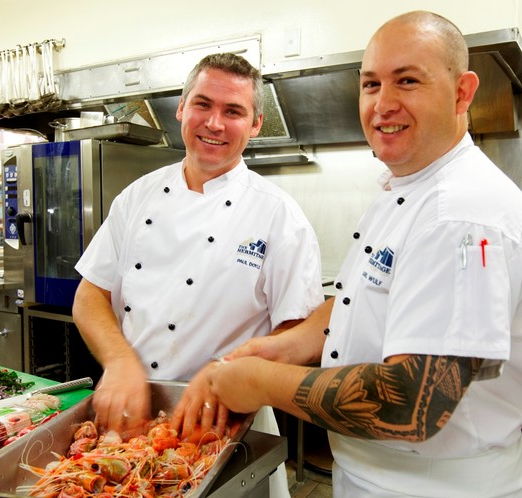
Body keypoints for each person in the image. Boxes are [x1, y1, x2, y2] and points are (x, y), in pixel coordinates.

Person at [207, 10, 522, 497]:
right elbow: (359, 299)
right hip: (373, 475)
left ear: (463, 91)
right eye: (371, 84)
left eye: (408, 81)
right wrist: (282, 347)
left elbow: (411, 402)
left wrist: (260, 380)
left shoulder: (459, 215)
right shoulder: (407, 186)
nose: (383, 104)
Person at [72, 52, 325, 497]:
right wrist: (120, 362)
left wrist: (232, 376)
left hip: (226, 426)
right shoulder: (137, 197)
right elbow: (90, 293)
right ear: (181, 110)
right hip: (130, 415)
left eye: (233, 112)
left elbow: (297, 331)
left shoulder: (279, 215)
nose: (214, 123)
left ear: (255, 124)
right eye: (203, 105)